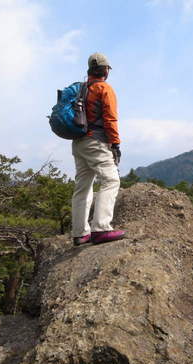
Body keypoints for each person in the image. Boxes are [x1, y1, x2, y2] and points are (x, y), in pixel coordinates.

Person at [71, 52, 125, 246]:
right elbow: (110, 119)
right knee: (111, 180)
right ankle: (101, 229)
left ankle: (79, 233)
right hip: (96, 142)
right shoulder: (104, 88)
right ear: (105, 70)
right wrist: (115, 144)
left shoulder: (81, 89)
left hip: (78, 143)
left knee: (83, 187)